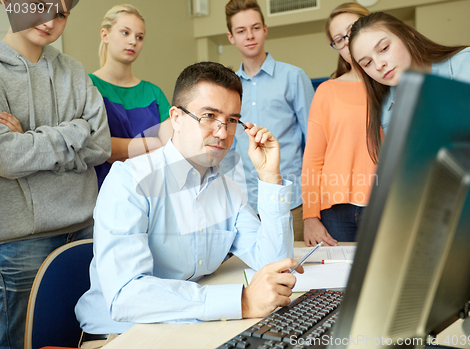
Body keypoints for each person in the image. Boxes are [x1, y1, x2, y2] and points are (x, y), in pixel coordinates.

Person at [75, 62, 299, 348]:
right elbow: (127, 295)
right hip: (120, 335)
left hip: (189, 327)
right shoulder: (130, 180)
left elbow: (274, 265)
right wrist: (241, 301)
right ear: (176, 118)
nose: (222, 132)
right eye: (209, 116)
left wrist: (269, 177)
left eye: (232, 120)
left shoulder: (227, 188)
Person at [0, 0, 111, 348]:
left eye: (61, 13)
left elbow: (101, 145)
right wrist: (74, 131)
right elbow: (5, 157)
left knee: (85, 340)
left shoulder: (75, 71)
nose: (49, 19)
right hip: (22, 243)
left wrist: (29, 139)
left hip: (86, 230)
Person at [348, 11, 470, 163]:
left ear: (408, 34)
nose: (379, 65)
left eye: (384, 48)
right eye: (367, 63)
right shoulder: (386, 111)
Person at [225, 0, 315, 241]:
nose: (249, 36)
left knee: (296, 274)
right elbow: (227, 149)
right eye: (241, 31)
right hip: (247, 205)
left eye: (255, 28)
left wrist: (314, 208)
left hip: (292, 201)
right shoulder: (228, 87)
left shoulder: (294, 77)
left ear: (265, 29)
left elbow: (315, 143)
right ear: (231, 37)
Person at [302, 3, 377, 247]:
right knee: (339, 284)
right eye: (339, 39)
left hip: (385, 205)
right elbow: (313, 159)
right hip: (335, 212)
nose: (347, 41)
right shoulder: (327, 91)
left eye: (352, 30)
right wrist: (310, 216)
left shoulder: (394, 82)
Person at [91, 4, 172, 188]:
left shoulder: (153, 92)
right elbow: (97, 147)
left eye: (139, 37)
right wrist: (151, 143)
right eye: (125, 33)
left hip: (152, 191)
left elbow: (172, 150)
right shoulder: (89, 86)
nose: (133, 41)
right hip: (104, 192)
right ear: (105, 35)